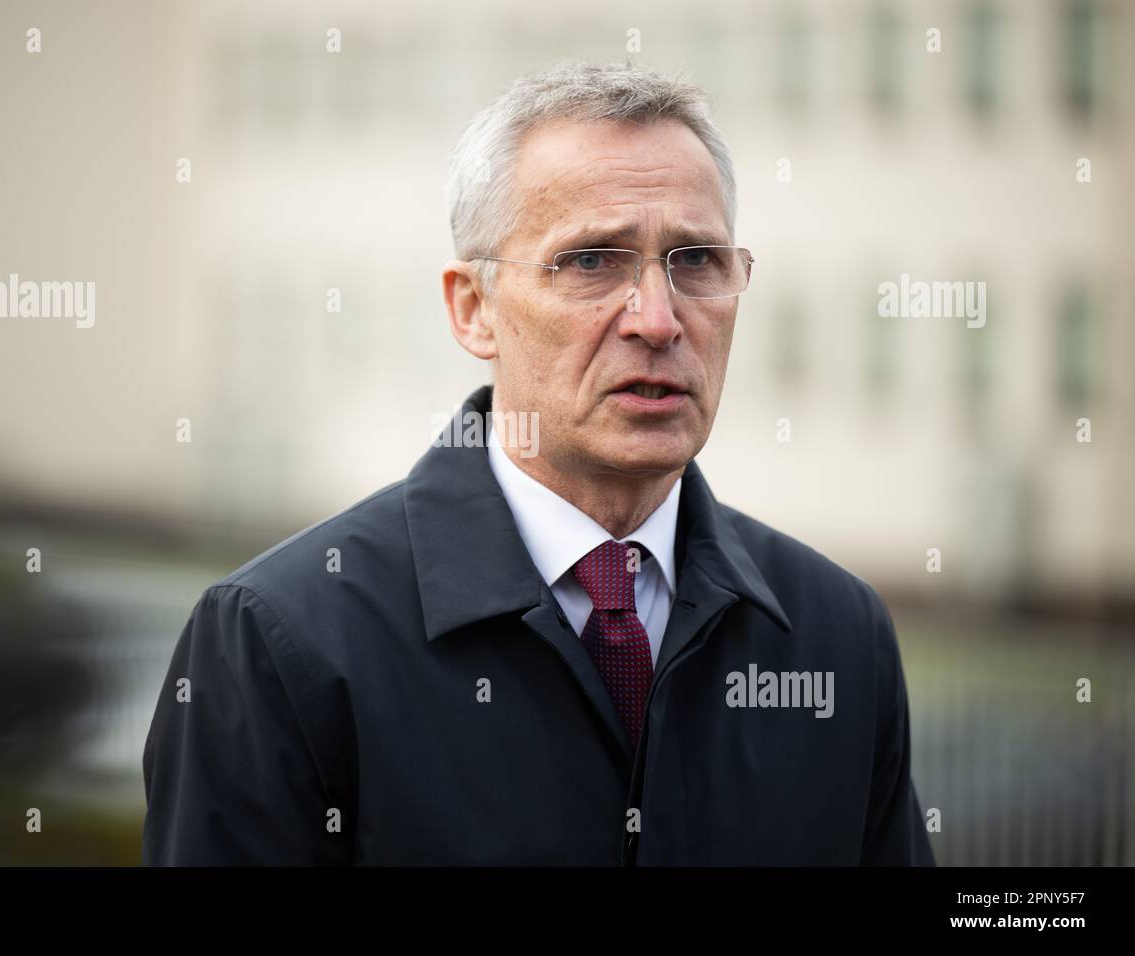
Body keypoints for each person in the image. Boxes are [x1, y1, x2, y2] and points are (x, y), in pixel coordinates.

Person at [142, 60, 936, 866]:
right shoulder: (282, 641)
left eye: (696, 260)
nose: (658, 320)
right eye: (592, 260)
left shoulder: (839, 634)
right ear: (472, 307)